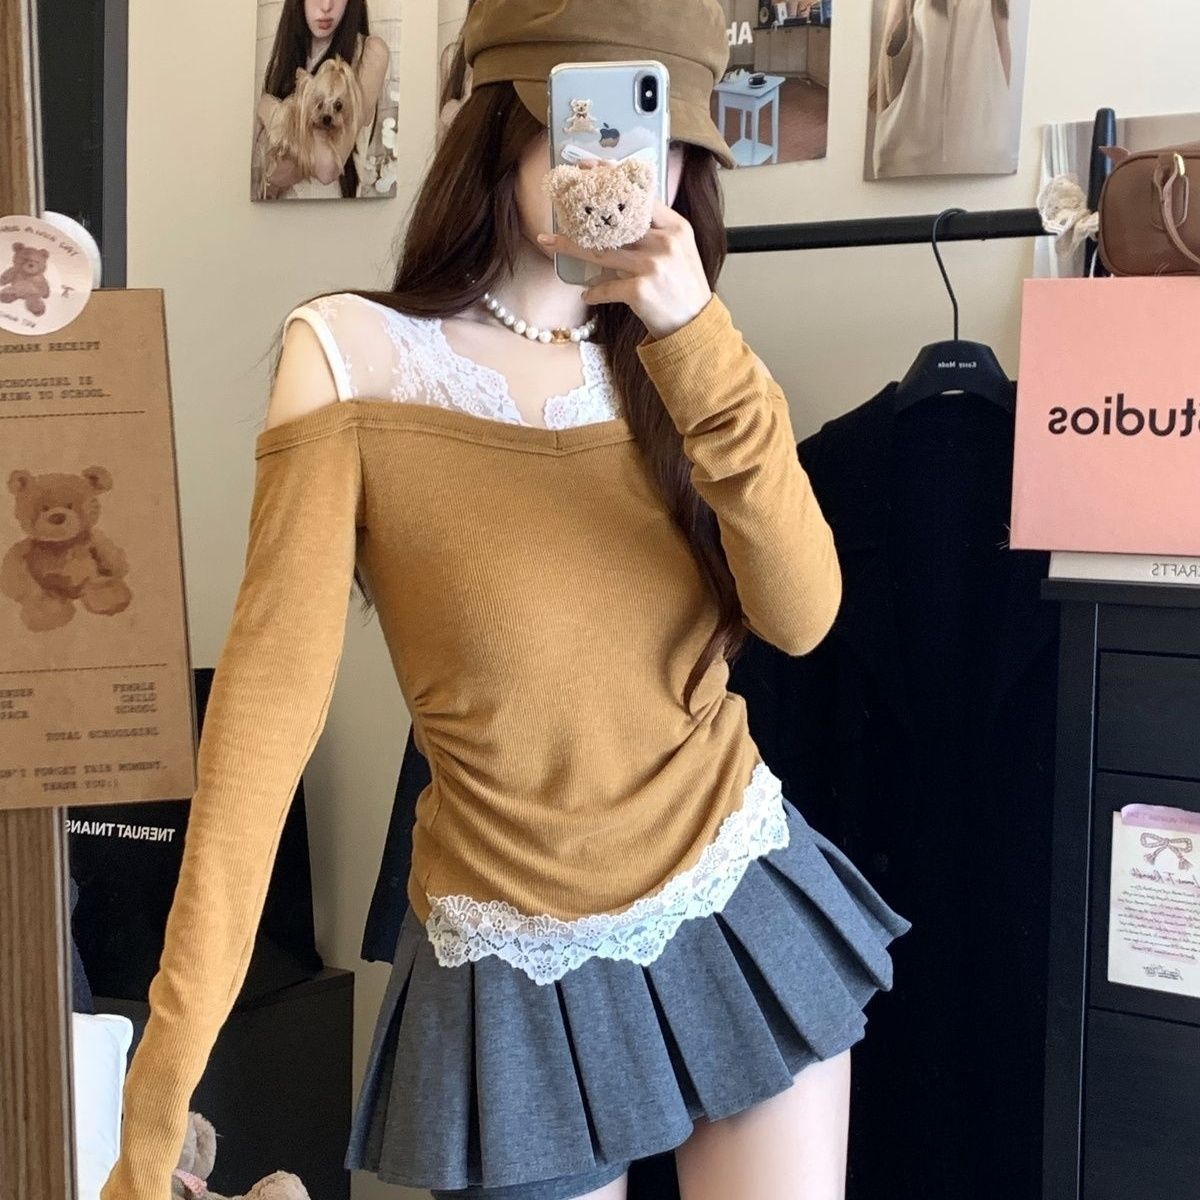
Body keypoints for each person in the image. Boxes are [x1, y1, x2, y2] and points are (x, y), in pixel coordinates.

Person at [100, 2, 912, 1198]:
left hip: (731, 889)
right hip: (507, 946)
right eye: (597, 122)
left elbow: (801, 614)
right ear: (508, 123)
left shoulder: (684, 360)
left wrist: (693, 334)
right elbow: (263, 730)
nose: (629, 169)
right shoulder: (351, 356)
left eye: (666, 139)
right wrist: (158, 1097)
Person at [254, 0, 389, 198]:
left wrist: (272, 111)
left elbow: (327, 167)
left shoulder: (369, 53)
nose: (326, 6)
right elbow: (268, 176)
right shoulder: (281, 57)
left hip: (333, 211)